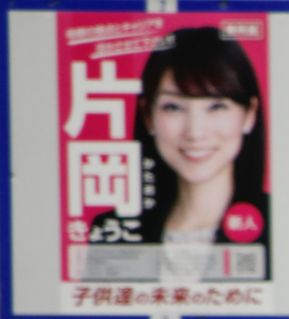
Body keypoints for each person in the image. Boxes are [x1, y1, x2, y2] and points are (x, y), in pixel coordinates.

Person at [87, 26, 269, 282]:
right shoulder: (114, 230)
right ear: (148, 116)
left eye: (216, 106)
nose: (195, 132)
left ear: (249, 114)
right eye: (173, 107)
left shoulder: (280, 222)